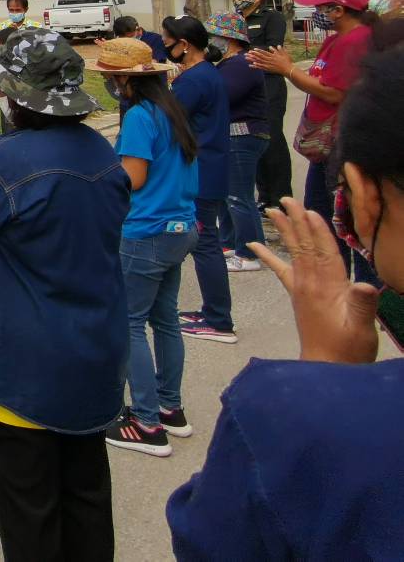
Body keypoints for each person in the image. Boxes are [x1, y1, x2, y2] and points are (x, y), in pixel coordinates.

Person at [166, 46, 404, 558]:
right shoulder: (216, 72)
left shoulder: (287, 413)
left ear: (362, 196)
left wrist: (327, 378)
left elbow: (213, 541)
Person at [0, 29, 127, 561]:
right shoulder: (99, 150)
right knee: (85, 502)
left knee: (30, 517)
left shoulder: (4, 162)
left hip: (19, 374)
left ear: (16, 96)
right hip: (92, 361)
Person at [91, 38, 200, 458]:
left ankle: (146, 422)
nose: (111, 86)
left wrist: (102, 174)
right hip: (179, 226)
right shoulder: (172, 111)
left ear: (125, 80)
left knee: (130, 323)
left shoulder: (139, 117)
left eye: (112, 79)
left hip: (145, 231)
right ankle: (171, 407)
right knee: (165, 319)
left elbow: (132, 178)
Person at [249, 0, 374, 277]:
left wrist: (288, 70)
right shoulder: (334, 39)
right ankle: (337, 283)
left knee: (346, 220)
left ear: (338, 10)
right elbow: (320, 77)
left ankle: (368, 294)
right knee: (321, 217)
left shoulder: (356, 41)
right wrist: (289, 68)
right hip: (326, 146)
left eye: (320, 8)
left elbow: (333, 92)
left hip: (343, 143)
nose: (316, 13)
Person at [159, 15, 235, 345]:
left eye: (168, 44)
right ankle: (211, 311)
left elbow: (169, 119)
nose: (165, 49)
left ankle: (218, 320)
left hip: (201, 170)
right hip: (211, 164)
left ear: (184, 45)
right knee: (205, 242)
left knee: (204, 244)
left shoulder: (193, 81)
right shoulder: (205, 73)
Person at [206, 12, 269, 273]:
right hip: (231, 137)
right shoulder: (228, 64)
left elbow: (219, 97)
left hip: (242, 136)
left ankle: (250, 252)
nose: (210, 41)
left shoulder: (242, 64)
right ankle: (231, 243)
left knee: (239, 197)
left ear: (228, 38)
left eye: (213, 36)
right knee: (227, 196)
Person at [231, 0, 290, 210]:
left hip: (268, 83)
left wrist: (240, 57)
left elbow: (273, 48)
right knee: (254, 140)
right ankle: (264, 196)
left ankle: (281, 198)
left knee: (272, 139)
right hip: (245, 85)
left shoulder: (270, 17)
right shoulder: (236, 20)